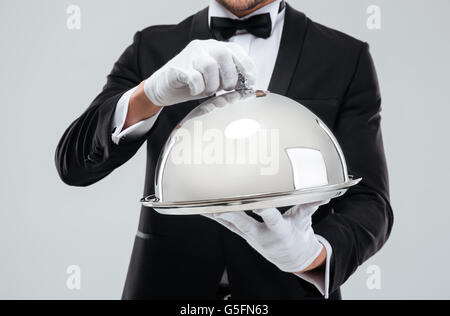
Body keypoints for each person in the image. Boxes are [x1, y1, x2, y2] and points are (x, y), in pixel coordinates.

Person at [55, 0, 393, 299]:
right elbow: (73, 163)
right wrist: (149, 95)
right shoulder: (153, 47)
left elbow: (369, 201)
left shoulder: (345, 57)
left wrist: (311, 256)